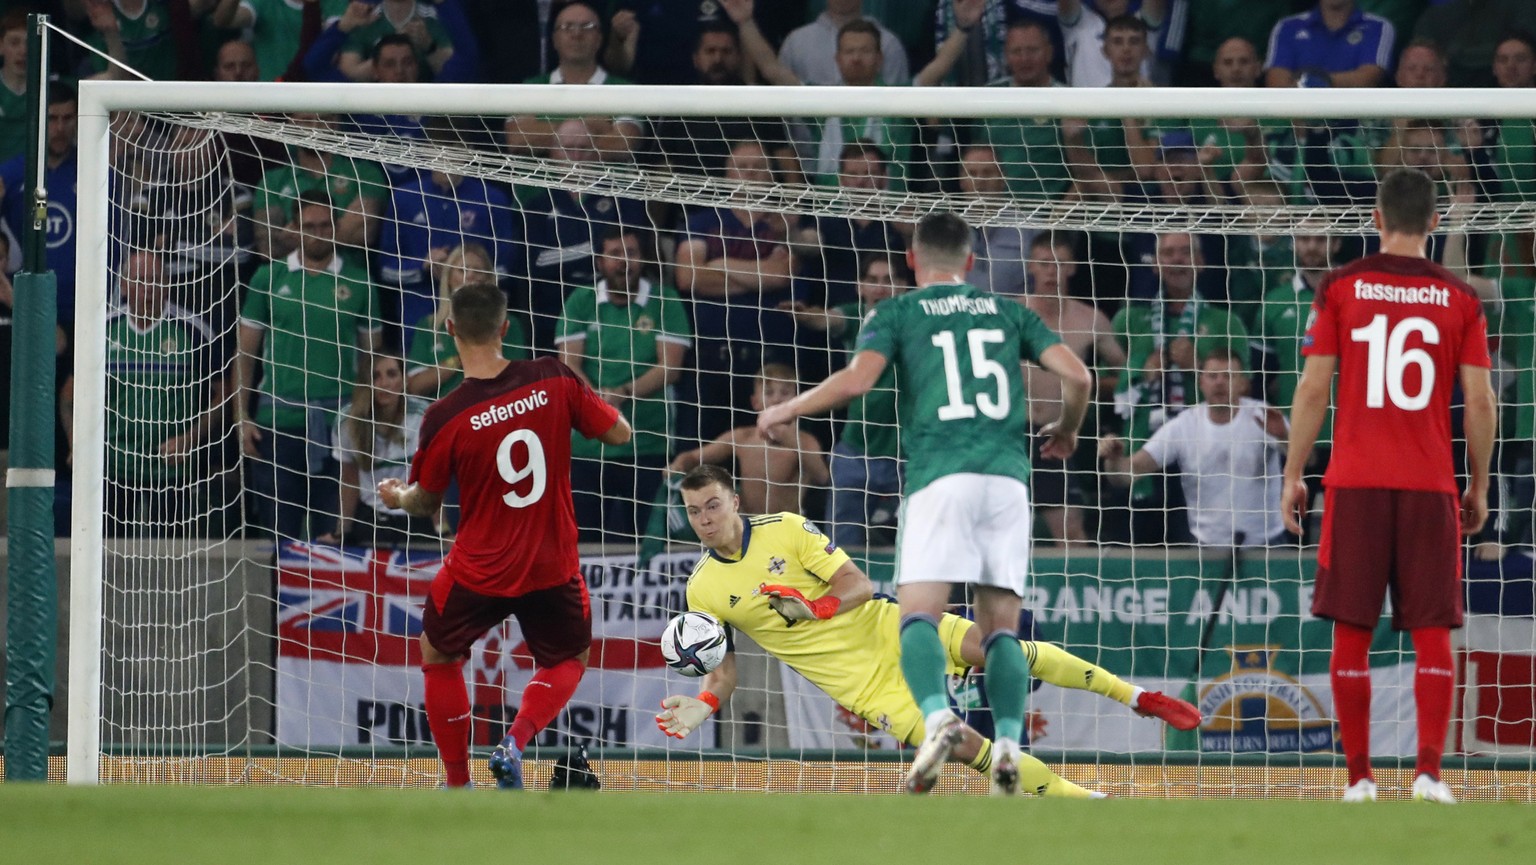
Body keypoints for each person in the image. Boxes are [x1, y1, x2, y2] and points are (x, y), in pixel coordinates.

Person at [757, 212, 1093, 795]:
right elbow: (1080, 377)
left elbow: (860, 381)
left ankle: (939, 718)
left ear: (912, 261)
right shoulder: (1011, 311)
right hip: (1008, 482)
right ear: (970, 262)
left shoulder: (896, 311)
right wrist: (1066, 429)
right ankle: (1009, 746)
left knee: (918, 614)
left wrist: (787, 409)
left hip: (940, 475)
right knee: (1001, 629)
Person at [655, 465, 1201, 796]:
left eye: (713, 505)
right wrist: (705, 700)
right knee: (965, 746)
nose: (705, 519)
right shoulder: (702, 589)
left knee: (997, 650)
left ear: (734, 501)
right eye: (695, 511)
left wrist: (814, 608)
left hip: (891, 627)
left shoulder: (788, 529)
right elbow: (724, 667)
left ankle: (1139, 696)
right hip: (863, 687)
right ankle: (1085, 801)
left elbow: (859, 585)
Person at [1280, 168, 1497, 804]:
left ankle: (1359, 781)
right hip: (1430, 484)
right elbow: (1481, 400)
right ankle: (1429, 773)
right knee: (1433, 631)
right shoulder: (1460, 297)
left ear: (1375, 219)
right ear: (1435, 222)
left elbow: (1314, 387)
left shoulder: (1341, 286)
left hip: (1355, 483)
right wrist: (1479, 483)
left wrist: (1295, 473)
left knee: (1351, 630)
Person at [378, 280, 633, 789]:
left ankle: (457, 784)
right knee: (568, 658)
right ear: (506, 327)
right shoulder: (553, 378)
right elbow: (619, 435)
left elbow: (424, 503)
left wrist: (395, 496)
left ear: (450, 330)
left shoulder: (443, 415)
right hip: (550, 563)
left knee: (438, 653)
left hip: (478, 567)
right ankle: (513, 742)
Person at [235, 189, 382, 541]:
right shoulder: (267, 278)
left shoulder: (360, 282)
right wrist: (242, 416)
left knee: (332, 534)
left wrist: (367, 419)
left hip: (339, 424)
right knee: (279, 535)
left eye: (325, 225)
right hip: (278, 422)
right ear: (294, 228)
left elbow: (371, 362)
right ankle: (278, 598)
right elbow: (245, 355)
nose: (317, 233)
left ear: (336, 227)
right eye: (309, 226)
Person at [557, 227, 690, 544]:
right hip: (587, 448)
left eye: (631, 252)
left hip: (648, 444)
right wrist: (597, 401)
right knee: (582, 542)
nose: (624, 262)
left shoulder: (664, 299)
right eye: (615, 254)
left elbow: (670, 367)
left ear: (642, 258)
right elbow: (568, 365)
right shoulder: (582, 300)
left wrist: (623, 393)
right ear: (600, 261)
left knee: (642, 542)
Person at [1100, 348, 1289, 548]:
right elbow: (1125, 475)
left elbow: (1308, 461)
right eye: (1212, 376)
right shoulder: (1184, 425)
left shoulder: (1264, 416)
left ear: (1242, 384)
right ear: (1201, 382)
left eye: (1228, 376)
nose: (1219, 382)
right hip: (1205, 549)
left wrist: (1285, 437)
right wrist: (1113, 459)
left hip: (1269, 544)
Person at [1021, 233, 1124, 544]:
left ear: (1072, 268)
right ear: (1030, 266)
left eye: (1058, 263)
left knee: (1071, 533)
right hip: (1010, 435)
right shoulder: (1013, 314)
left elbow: (1126, 376)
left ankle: (1077, 592)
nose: (1051, 271)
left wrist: (1088, 387)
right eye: (1043, 263)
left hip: (1057, 437)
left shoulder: (1091, 320)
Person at [670, 363, 829, 516]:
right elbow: (695, 456)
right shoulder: (743, 438)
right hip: (748, 523)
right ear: (755, 402)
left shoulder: (805, 441)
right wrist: (679, 463)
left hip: (788, 525)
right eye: (769, 392)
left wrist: (792, 441)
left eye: (785, 392)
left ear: (798, 400)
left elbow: (822, 477)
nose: (777, 399)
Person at [320, 354, 434, 547]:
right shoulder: (347, 422)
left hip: (417, 519)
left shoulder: (424, 417)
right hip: (369, 520)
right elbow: (349, 481)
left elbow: (432, 481)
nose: (384, 383)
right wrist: (341, 532)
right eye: (376, 376)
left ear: (404, 380)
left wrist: (444, 531)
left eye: (391, 374)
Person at [406, 243, 529, 400]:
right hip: (446, 417)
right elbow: (415, 386)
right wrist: (457, 360)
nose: (470, 276)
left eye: (478, 271)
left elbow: (517, 380)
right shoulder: (428, 326)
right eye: (462, 270)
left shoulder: (508, 324)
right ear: (449, 278)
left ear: (488, 278)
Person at [1263, 0, 1394, 89]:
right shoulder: (1287, 27)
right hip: (1298, 120)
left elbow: (1368, 78)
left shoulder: (1377, 27)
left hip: (1354, 122)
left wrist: (1314, 81)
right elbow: (1276, 82)